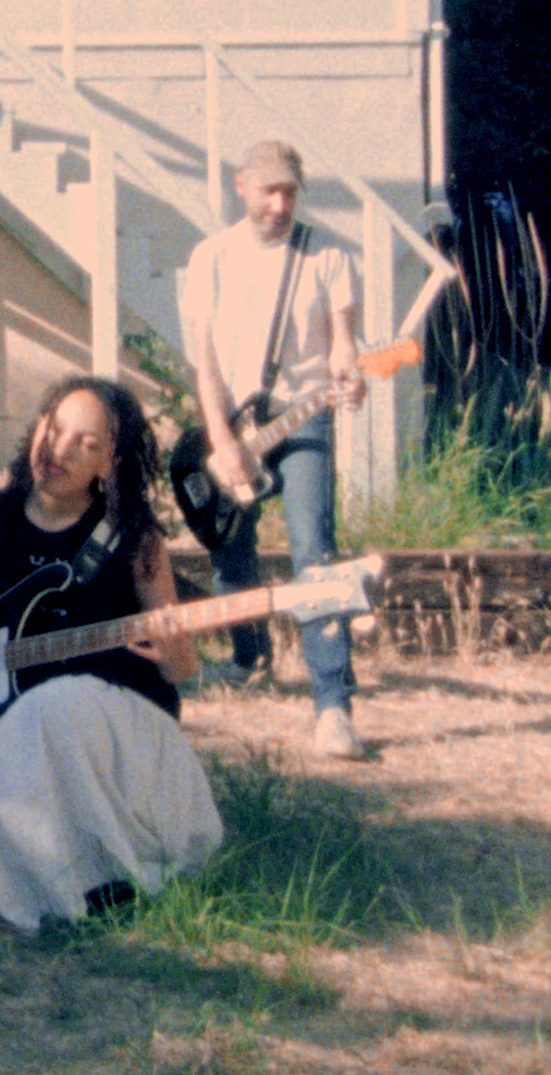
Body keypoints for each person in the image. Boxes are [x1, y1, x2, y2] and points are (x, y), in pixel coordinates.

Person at [0, 376, 220, 931]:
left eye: (85, 443)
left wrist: (174, 645)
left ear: (111, 463)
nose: (59, 449)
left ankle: (100, 887)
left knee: (57, 706)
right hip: (18, 711)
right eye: (54, 427)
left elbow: (181, 672)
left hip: (120, 734)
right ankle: (36, 889)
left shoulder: (135, 540)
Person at [176, 138, 368, 759]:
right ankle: (248, 658)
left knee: (317, 550)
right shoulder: (211, 257)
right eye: (269, 191)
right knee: (231, 545)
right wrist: (221, 440)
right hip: (232, 423)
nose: (280, 204)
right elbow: (203, 360)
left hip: (303, 421)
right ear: (242, 186)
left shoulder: (327, 254)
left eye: (289, 192)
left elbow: (344, 342)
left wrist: (350, 371)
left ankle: (333, 704)